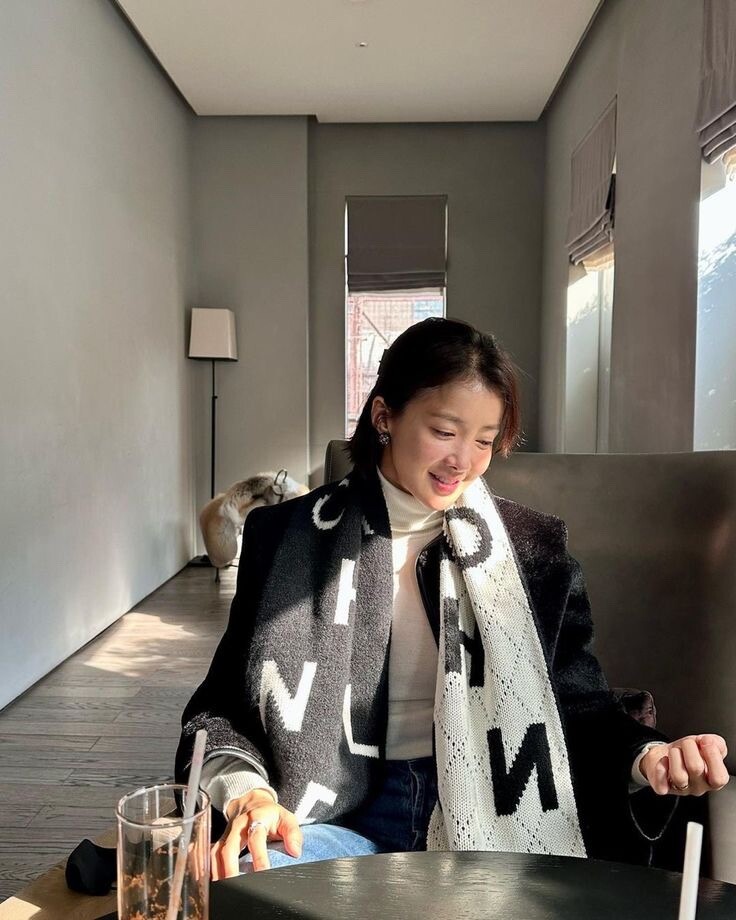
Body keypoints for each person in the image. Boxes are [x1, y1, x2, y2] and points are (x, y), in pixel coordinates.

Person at [176, 318, 729, 881]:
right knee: (230, 892)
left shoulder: (534, 552)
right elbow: (221, 708)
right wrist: (249, 795)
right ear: (384, 415)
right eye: (444, 431)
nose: (463, 460)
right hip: (337, 818)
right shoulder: (285, 538)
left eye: (484, 440)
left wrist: (650, 757)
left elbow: (578, 702)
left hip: (493, 818)